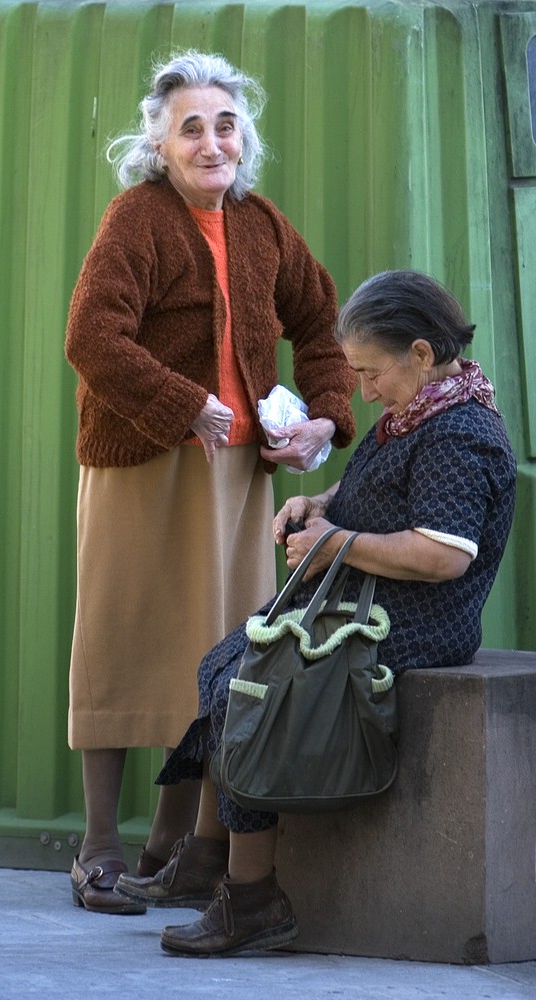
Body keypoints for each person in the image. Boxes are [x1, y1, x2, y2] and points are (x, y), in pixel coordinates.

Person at [114, 268, 517, 954]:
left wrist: (334, 544)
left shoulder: (459, 432)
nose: (362, 390)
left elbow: (444, 555)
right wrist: (323, 503)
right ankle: (210, 855)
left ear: (420, 353)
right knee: (225, 662)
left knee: (259, 683)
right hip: (367, 599)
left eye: (369, 372)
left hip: (417, 616)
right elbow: (382, 489)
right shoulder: (417, 413)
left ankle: (252, 901)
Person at [65, 49, 357, 914]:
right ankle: (98, 850)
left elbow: (321, 329)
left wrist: (325, 418)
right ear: (159, 144)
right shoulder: (137, 220)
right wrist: (183, 404)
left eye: (224, 124)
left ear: (244, 139)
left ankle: (180, 847)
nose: (210, 140)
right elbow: (92, 337)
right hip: (141, 461)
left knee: (216, 657)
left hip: (236, 477)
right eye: (190, 127)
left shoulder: (263, 225)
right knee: (118, 643)